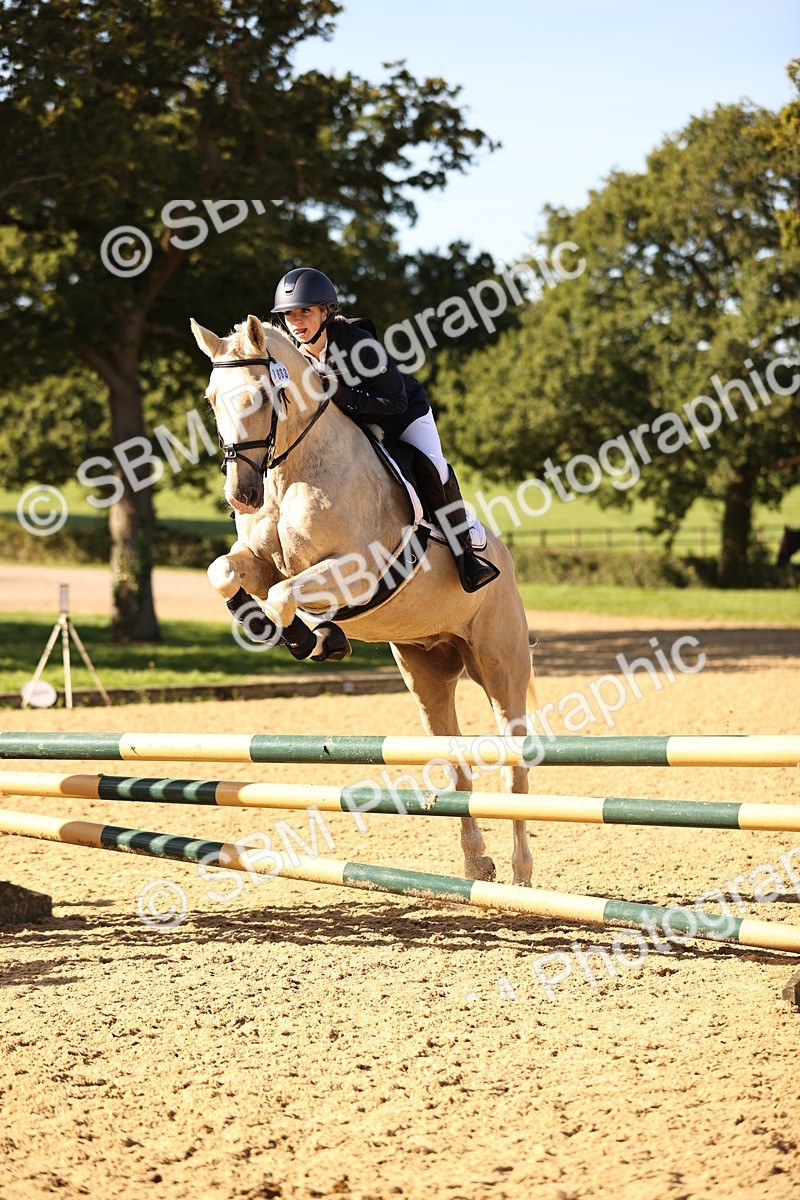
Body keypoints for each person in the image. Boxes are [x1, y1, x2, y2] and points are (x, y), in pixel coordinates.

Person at [271, 266, 499, 593]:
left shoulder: (358, 343)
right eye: (289, 314)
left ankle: (466, 549)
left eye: (305, 311)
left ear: (326, 311)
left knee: (431, 468)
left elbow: (395, 400)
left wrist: (342, 394)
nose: (296, 321)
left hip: (402, 416)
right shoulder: (295, 357)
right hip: (354, 428)